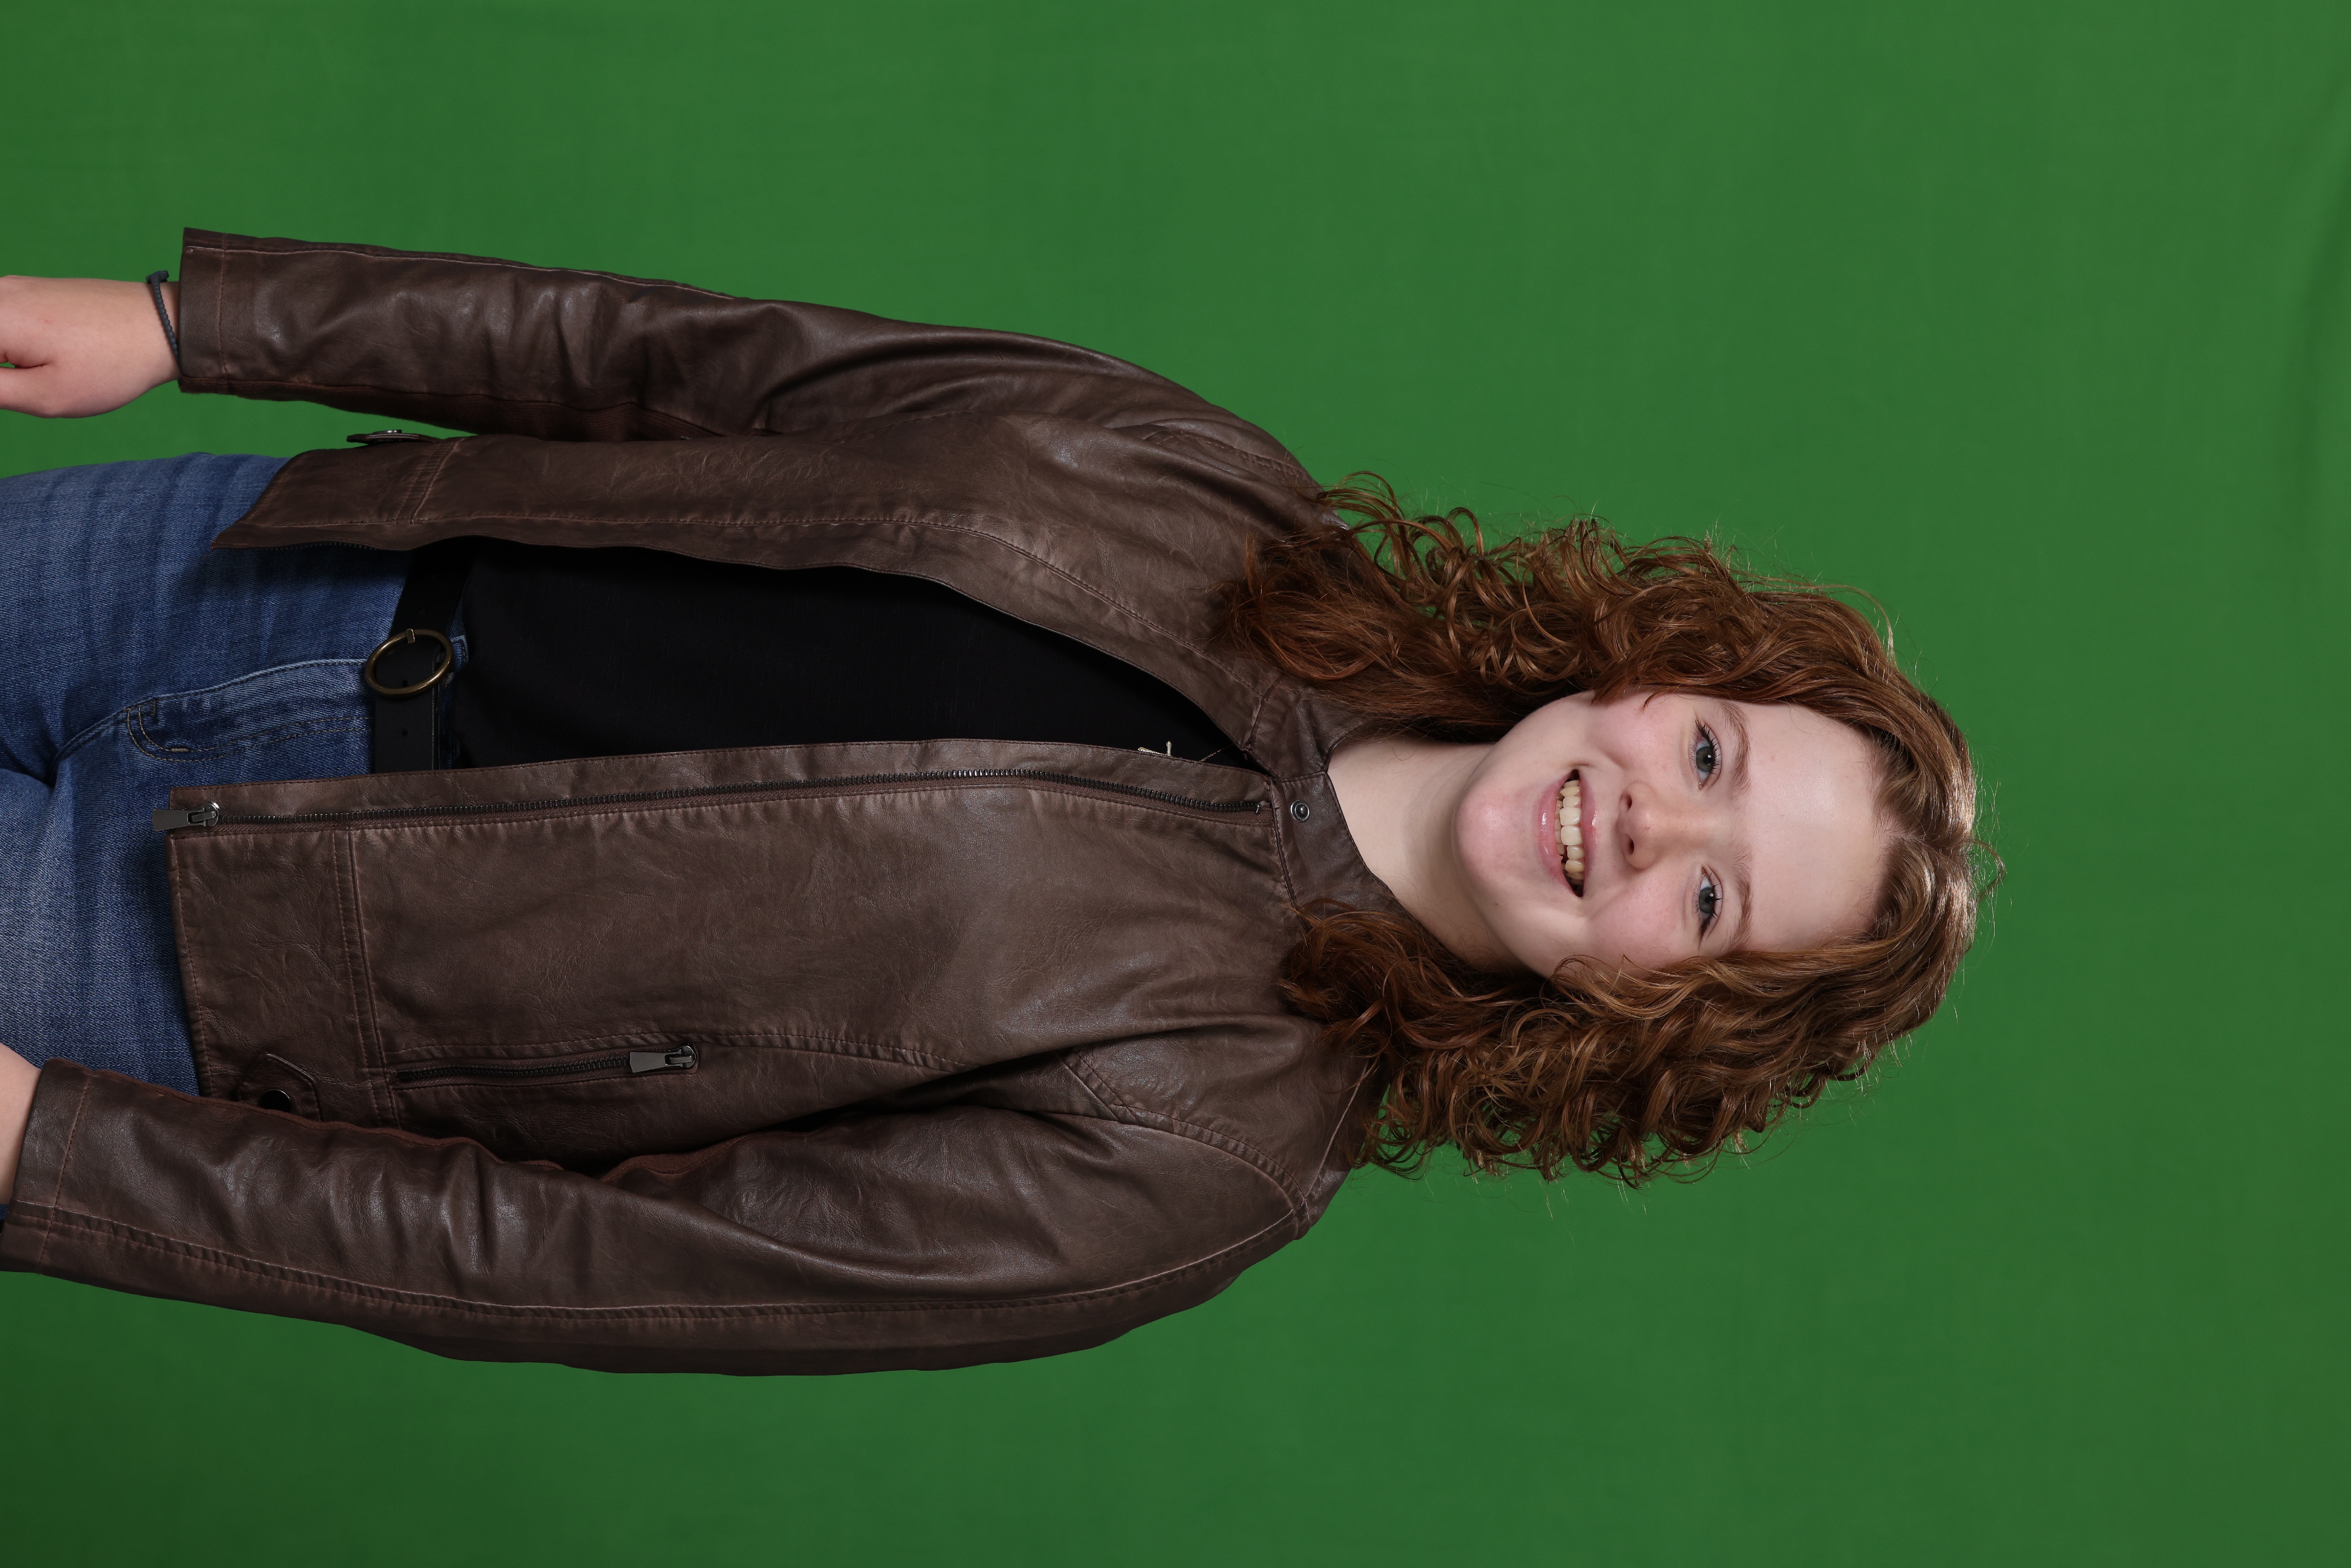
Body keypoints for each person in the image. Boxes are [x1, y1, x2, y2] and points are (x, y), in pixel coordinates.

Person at [0, 232, 1983, 1374]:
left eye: (1712, 904)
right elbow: (691, 363)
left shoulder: (1198, 1160)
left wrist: (57, 1164)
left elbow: (555, 1263)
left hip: (192, 952)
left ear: (1659, 1016)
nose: (1650, 825)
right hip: (258, 566)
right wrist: (199, 325)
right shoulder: (1213, 486)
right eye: (1712, 759)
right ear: (1663, 670)